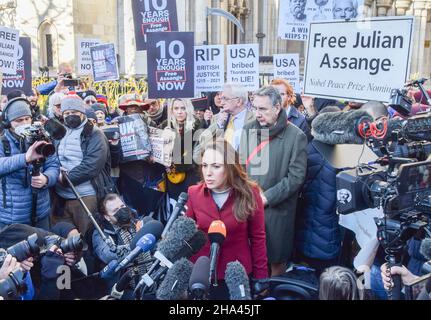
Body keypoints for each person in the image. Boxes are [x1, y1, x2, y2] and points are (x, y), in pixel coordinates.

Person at [186, 139, 268, 299]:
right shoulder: (193, 193)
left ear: (230, 168)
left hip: (236, 276)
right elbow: (186, 238)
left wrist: (261, 275)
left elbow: (258, 238)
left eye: (216, 166)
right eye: (204, 165)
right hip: (201, 276)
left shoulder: (250, 193)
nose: (208, 172)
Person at [239, 86, 307, 277]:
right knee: (249, 259)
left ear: (277, 108)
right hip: (247, 207)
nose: (257, 114)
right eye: (255, 108)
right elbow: (239, 167)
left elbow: (296, 178)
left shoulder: (296, 136)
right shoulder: (247, 130)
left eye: (263, 109)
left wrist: (266, 198)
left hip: (277, 212)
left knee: (276, 262)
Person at [52, 95, 115, 238]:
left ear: (82, 113)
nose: (70, 116)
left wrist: (65, 179)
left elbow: (92, 166)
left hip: (86, 196)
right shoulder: (60, 133)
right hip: (61, 197)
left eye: (74, 112)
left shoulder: (95, 134)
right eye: (67, 113)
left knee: (87, 238)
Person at [0, 98, 60, 230]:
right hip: (11, 217)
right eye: (19, 120)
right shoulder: (2, 141)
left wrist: (46, 179)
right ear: (8, 123)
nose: (25, 123)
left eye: (27, 118)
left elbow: (53, 165)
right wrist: (25, 158)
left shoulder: (41, 138)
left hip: (40, 212)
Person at [92, 193, 153, 298]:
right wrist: (137, 245)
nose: (121, 211)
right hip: (123, 285)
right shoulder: (101, 233)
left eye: (122, 206)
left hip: (151, 274)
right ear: (107, 217)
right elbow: (107, 256)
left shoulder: (138, 222)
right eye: (115, 210)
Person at [159, 98, 203, 201]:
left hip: (191, 174)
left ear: (188, 109)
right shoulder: (166, 125)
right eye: (176, 108)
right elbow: (159, 151)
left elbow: (196, 153)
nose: (179, 112)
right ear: (171, 110)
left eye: (183, 108)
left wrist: (175, 166)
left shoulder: (196, 125)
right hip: (172, 176)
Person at [202, 83, 255, 151]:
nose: (222, 103)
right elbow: (202, 140)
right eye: (221, 99)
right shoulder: (217, 118)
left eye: (225, 99)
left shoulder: (254, 119)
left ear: (238, 101)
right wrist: (218, 125)